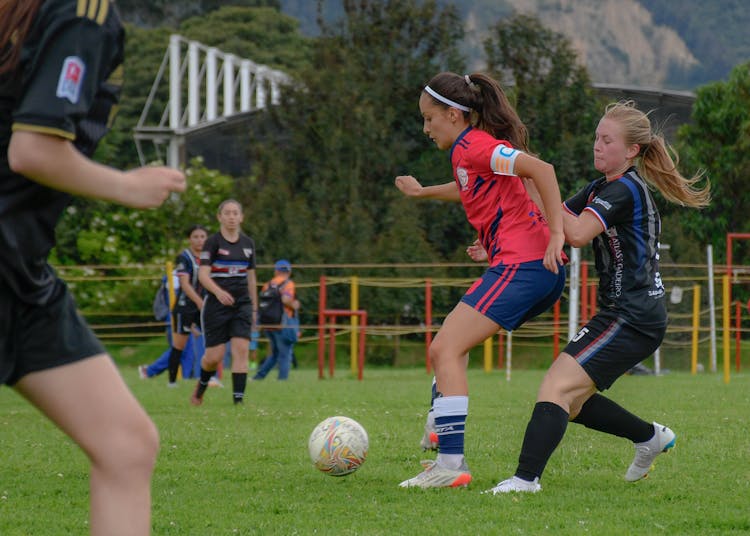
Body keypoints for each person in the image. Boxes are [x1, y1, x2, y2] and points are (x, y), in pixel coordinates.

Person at [0, 1, 186, 534]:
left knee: (127, 445)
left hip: (22, 276)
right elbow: (32, 149)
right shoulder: (84, 13)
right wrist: (130, 186)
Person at [486, 100, 710, 494]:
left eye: (607, 140)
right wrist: (521, 191)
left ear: (631, 151)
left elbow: (574, 233)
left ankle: (525, 481)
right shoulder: (601, 187)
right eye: (596, 137)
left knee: (556, 387)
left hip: (633, 316)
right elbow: (550, 219)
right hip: (625, 314)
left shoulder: (625, 189)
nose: (597, 145)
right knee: (569, 402)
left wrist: (534, 174)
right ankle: (649, 437)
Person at [394, 71, 567, 489]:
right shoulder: (464, 152)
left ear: (453, 115)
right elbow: (469, 186)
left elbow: (541, 170)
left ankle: (450, 461)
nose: (425, 128)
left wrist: (557, 234)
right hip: (518, 265)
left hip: (527, 266)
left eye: (429, 118)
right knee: (453, 347)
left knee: (445, 348)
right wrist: (422, 194)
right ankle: (440, 430)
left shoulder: (479, 145)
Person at [191, 199, 258, 405]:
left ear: (241, 217)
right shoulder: (213, 242)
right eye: (227, 213)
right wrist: (218, 292)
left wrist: (254, 308)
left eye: (235, 213)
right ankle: (200, 389)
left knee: (241, 350)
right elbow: (203, 275)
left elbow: (251, 277)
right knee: (214, 357)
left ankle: (238, 402)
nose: (231, 217)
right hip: (216, 305)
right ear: (219, 217)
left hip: (242, 304)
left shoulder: (248, 244)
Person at [253, 260, 301, 381]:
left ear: (276, 271)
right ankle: (282, 380)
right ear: (289, 271)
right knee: (285, 355)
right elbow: (285, 299)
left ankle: (258, 377)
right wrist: (294, 304)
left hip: (268, 324)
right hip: (283, 323)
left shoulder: (267, 285)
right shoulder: (288, 284)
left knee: (274, 354)